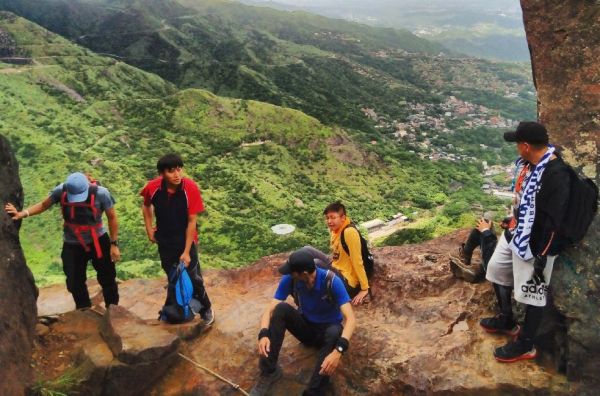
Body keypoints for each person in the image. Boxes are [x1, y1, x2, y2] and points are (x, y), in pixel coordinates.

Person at [480, 121, 571, 362]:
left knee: (534, 293)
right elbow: (523, 201)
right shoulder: (527, 165)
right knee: (496, 271)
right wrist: (512, 219)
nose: (516, 148)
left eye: (518, 144)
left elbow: (555, 219)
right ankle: (507, 320)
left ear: (526, 146)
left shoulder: (555, 175)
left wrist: (543, 252)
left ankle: (526, 344)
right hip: (515, 231)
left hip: (536, 243)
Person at [4, 172, 120, 309]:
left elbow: (112, 217)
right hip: (72, 243)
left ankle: (113, 310)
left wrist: (113, 244)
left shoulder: (102, 193)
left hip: (98, 240)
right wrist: (22, 213)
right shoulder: (61, 190)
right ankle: (84, 310)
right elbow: (43, 205)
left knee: (107, 277)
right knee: (73, 281)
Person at [249, 249, 356, 396]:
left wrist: (339, 351)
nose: (289, 274)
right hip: (307, 328)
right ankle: (269, 372)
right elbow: (270, 309)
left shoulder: (331, 281)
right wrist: (263, 334)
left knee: (335, 332)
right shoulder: (291, 279)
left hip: (328, 332)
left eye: (292, 272)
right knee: (281, 309)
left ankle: (313, 392)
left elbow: (350, 319)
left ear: (304, 274)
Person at [140, 154, 214, 324]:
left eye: (179, 169)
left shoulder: (190, 189)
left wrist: (187, 252)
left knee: (194, 277)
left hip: (184, 239)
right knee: (172, 276)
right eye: (171, 171)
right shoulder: (153, 188)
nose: (176, 174)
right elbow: (146, 205)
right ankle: (177, 308)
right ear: (162, 173)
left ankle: (206, 308)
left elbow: (191, 221)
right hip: (164, 239)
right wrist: (149, 229)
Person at [324, 201, 370, 305]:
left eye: (333, 217)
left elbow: (357, 261)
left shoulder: (349, 232)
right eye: (327, 218)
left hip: (347, 282)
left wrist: (364, 288)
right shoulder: (335, 231)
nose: (329, 221)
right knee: (307, 250)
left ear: (343, 218)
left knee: (315, 263)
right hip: (337, 268)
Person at [450, 215, 510, 282]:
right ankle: (478, 267)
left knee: (481, 230)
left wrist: (486, 231)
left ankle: (476, 268)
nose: (500, 224)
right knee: (485, 225)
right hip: (507, 264)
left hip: (498, 268)